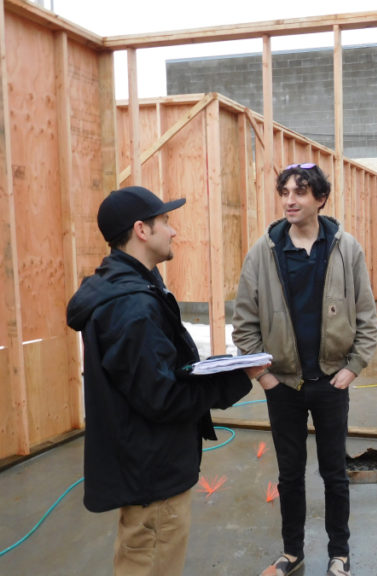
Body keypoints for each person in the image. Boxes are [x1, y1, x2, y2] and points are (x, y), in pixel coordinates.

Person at [66, 185, 257, 576]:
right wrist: (237, 379)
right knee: (152, 562)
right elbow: (163, 398)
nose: (172, 231)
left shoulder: (129, 287)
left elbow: (151, 378)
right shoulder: (131, 306)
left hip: (146, 463)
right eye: (165, 222)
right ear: (141, 230)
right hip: (153, 473)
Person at [232, 163, 377, 576]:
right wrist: (264, 377)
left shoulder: (346, 248)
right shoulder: (265, 251)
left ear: (320, 199)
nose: (290, 200)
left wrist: (353, 367)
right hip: (284, 386)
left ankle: (339, 554)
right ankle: (292, 552)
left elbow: (365, 315)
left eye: (300, 192)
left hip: (332, 381)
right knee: (290, 474)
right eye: (284, 192)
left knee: (335, 473)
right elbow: (244, 322)